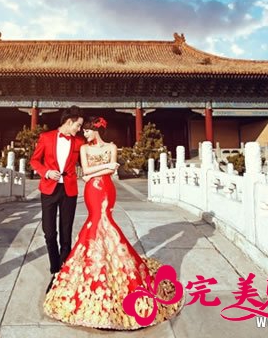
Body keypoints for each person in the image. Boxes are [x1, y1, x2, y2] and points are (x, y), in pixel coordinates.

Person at [43, 116, 182, 329]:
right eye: (83, 130)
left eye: (87, 130)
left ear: (96, 130)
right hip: (92, 191)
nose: (84, 134)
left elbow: (110, 172)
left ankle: (113, 263)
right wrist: (106, 165)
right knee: (95, 222)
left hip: (107, 189)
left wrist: (104, 168)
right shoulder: (85, 149)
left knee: (106, 221)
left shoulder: (111, 147)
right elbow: (86, 172)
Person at [30, 105, 85, 292]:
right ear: (69, 122)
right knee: (49, 232)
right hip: (49, 188)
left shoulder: (79, 142)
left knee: (66, 232)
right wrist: (46, 172)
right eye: (78, 125)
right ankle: (54, 267)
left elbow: (88, 160)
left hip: (69, 190)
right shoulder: (46, 137)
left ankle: (61, 273)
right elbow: (34, 160)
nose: (79, 129)